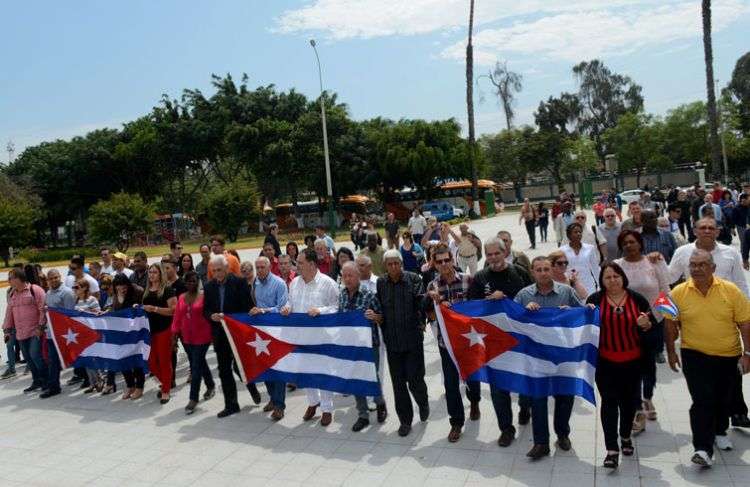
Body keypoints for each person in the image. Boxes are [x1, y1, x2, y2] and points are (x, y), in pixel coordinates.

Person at [665, 249, 750, 467]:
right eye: (693, 265)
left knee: (723, 397)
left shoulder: (731, 291)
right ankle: (702, 449)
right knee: (702, 400)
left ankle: (720, 431)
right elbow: (669, 322)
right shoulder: (678, 292)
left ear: (713, 268)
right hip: (694, 354)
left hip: (728, 354)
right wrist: (671, 352)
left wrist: (747, 353)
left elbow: (745, 323)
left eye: (702, 265)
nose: (697, 269)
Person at [586, 263, 654, 469]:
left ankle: (625, 436)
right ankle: (611, 449)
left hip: (633, 363)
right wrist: (585, 312)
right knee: (609, 403)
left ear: (623, 277)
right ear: (602, 281)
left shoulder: (637, 299)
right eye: (608, 277)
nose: (613, 280)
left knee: (628, 404)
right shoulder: (595, 300)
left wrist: (647, 325)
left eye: (616, 276)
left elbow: (650, 327)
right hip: (605, 363)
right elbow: (586, 327)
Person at [514, 256, 582, 458]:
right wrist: (524, 312)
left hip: (563, 355)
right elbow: (512, 322)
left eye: (546, 269)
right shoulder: (524, 295)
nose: (543, 272)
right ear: (533, 272)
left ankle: (562, 434)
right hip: (535, 357)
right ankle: (541, 443)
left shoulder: (567, 292)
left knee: (564, 397)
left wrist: (570, 311)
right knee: (538, 400)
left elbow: (582, 315)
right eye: (539, 269)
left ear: (552, 271)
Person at [468, 237, 533, 447]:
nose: (493, 258)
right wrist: (489, 302)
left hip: (520, 339)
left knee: (524, 381)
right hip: (494, 343)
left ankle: (525, 406)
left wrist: (508, 300)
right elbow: (472, 308)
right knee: (498, 387)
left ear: (505, 253)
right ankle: (506, 428)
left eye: (497, 253)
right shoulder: (479, 278)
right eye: (489, 254)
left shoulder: (520, 273)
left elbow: (532, 299)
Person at [614, 230, 670, 434]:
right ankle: (637, 409)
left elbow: (665, 290)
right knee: (632, 367)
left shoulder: (654, 262)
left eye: (632, 242)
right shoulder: (617, 266)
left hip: (654, 320)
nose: (629, 245)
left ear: (640, 243)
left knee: (649, 365)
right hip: (627, 323)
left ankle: (647, 397)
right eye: (625, 243)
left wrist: (672, 319)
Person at [426, 244, 480, 443]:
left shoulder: (468, 281)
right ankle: (456, 422)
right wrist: (434, 303)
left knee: (472, 379)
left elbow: (477, 309)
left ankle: (474, 401)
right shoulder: (432, 286)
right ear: (434, 264)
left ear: (453, 260)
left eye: (446, 260)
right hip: (446, 343)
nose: (444, 264)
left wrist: (455, 310)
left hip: (468, 341)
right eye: (439, 261)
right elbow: (429, 315)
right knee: (450, 384)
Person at [281, 248, 340, 426]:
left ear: (312, 265)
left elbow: (338, 307)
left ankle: (327, 408)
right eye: (296, 262)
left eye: (300, 263)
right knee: (306, 372)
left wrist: (320, 311)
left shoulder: (328, 283)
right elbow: (291, 301)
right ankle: (313, 403)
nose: (296, 266)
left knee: (323, 372)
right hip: (301, 337)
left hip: (322, 338)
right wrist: (287, 307)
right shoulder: (294, 283)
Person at [376, 249, 429, 437]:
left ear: (401, 264)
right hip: (393, 343)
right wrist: (377, 316)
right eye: (389, 264)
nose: (393, 267)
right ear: (385, 266)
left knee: (415, 381)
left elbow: (421, 303)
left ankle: (423, 403)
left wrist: (423, 319)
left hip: (413, 340)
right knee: (398, 385)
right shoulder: (381, 283)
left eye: (396, 263)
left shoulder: (414, 279)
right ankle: (405, 421)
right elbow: (378, 307)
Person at [339, 261, 387, 432]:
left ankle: (380, 403)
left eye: (350, 275)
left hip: (369, 345)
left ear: (358, 276)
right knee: (355, 378)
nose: (347, 279)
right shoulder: (342, 295)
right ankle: (363, 415)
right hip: (351, 345)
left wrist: (374, 316)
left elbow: (382, 318)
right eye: (344, 276)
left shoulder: (369, 295)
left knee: (371, 376)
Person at [204, 254, 253, 418]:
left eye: (220, 270)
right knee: (224, 370)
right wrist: (212, 316)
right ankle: (231, 404)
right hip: (220, 334)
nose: (217, 273)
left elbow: (248, 307)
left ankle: (252, 386)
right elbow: (206, 310)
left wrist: (231, 318)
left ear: (227, 268)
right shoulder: (209, 287)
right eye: (214, 270)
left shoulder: (239, 283)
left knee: (242, 366)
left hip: (237, 333)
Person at [250, 256, 289, 421]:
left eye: (262, 267)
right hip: (261, 332)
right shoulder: (255, 283)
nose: (259, 271)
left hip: (276, 332)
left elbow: (282, 307)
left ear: (269, 267)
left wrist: (264, 311)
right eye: (257, 267)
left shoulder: (279, 283)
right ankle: (273, 399)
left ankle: (280, 406)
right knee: (265, 367)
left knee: (278, 369)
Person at [171, 270, 215, 414]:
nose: (191, 284)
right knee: (200, 362)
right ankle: (210, 385)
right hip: (187, 338)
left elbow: (210, 315)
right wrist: (174, 336)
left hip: (202, 337)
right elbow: (177, 318)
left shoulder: (204, 297)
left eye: (193, 281)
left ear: (198, 282)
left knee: (195, 368)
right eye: (188, 281)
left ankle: (193, 399)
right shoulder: (182, 297)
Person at [3, 269, 47, 392]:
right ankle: (36, 381)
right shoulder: (12, 294)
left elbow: (42, 309)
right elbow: (9, 313)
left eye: (11, 278)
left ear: (18, 279)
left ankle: (46, 380)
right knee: (28, 358)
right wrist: (7, 329)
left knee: (35, 355)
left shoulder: (35, 290)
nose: (8, 281)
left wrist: (40, 326)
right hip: (21, 333)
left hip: (35, 331)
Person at [141, 263, 176, 404]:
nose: (152, 275)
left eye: (155, 272)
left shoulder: (167, 289)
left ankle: (166, 390)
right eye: (150, 272)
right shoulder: (147, 290)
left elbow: (173, 310)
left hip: (164, 329)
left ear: (160, 274)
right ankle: (166, 382)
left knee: (164, 361)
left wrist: (155, 309)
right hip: (150, 330)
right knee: (151, 362)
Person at [40, 269, 76, 398]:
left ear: (60, 277)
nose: (54, 280)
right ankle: (54, 386)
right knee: (53, 361)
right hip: (51, 333)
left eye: (56, 277)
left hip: (65, 334)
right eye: (51, 278)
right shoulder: (48, 293)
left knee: (74, 357)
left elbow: (70, 314)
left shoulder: (67, 292)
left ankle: (86, 377)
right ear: (48, 280)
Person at [112, 274, 145, 400]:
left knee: (136, 359)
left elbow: (143, 309)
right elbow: (116, 310)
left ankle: (140, 386)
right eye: (119, 287)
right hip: (122, 331)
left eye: (124, 286)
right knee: (123, 359)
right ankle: (130, 385)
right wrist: (119, 298)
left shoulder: (138, 291)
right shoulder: (116, 294)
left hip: (136, 331)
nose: (122, 289)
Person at [74, 278, 103, 393]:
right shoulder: (76, 301)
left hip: (92, 333)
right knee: (86, 360)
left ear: (85, 288)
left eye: (77, 287)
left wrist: (85, 312)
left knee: (94, 359)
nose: (75, 290)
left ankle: (100, 380)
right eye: (74, 287)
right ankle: (92, 383)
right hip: (81, 334)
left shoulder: (92, 299)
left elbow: (98, 314)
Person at [560, 223, 600, 296]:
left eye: (580, 232)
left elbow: (595, 268)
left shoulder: (590, 248)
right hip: (570, 285)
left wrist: (599, 285)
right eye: (575, 232)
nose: (578, 234)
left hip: (588, 285)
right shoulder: (562, 250)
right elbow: (561, 269)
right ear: (569, 235)